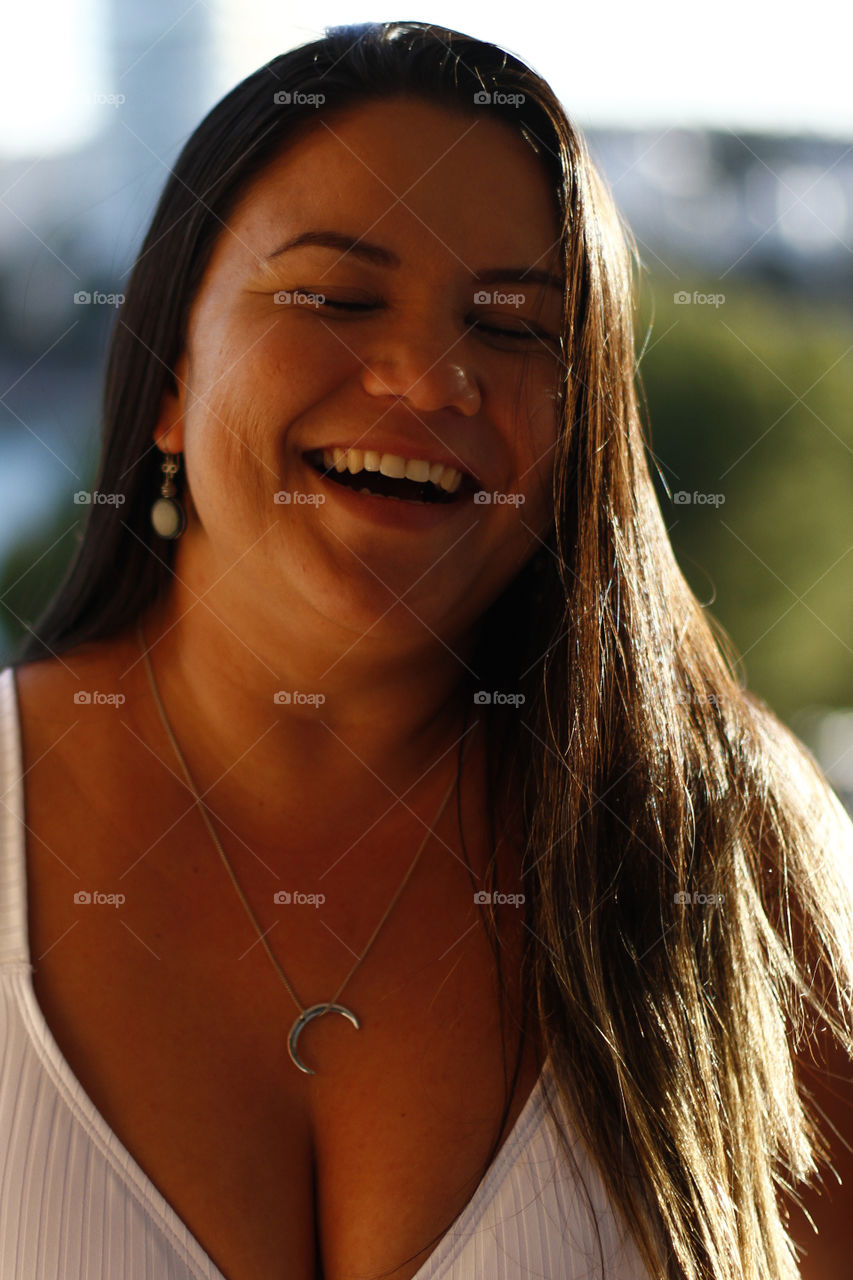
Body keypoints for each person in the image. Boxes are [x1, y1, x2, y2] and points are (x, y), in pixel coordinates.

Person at [1, 19, 850, 1280]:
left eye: (513, 329)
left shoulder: (729, 850)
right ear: (172, 375)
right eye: (337, 297)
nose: (428, 374)